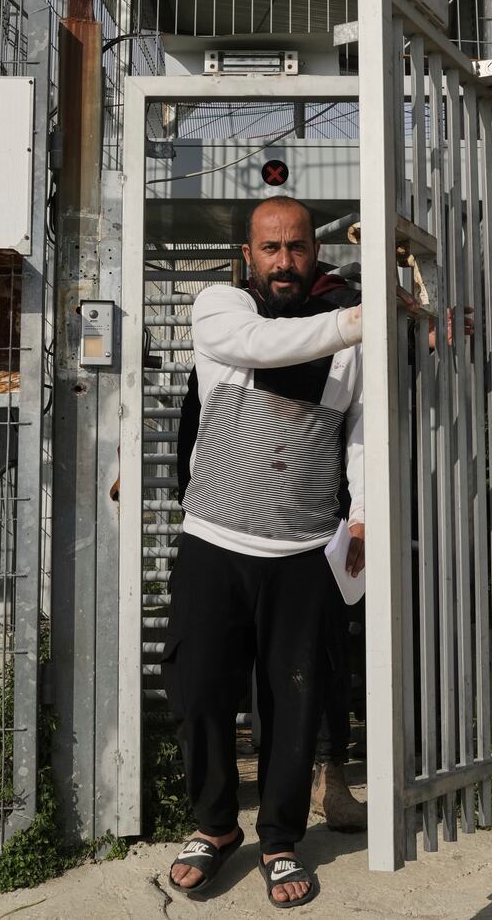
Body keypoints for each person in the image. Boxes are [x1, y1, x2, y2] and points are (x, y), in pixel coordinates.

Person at [164, 196, 366, 909]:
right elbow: (261, 348)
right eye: (271, 248)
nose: (285, 260)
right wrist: (359, 318)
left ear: (315, 252)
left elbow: (361, 435)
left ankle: (280, 838)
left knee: (294, 701)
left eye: (298, 247)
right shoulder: (221, 308)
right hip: (214, 540)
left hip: (303, 549)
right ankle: (215, 827)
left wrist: (363, 517)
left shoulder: (350, 341)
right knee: (201, 690)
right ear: (248, 256)